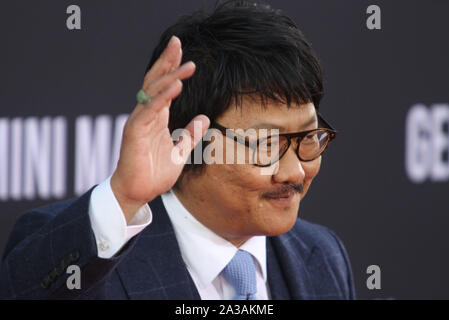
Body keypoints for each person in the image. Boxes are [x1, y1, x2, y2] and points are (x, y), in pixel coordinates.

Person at [0, 0, 355, 299]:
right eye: (266, 145)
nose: (294, 172)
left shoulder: (322, 255)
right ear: (189, 141)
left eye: (309, 138)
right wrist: (122, 197)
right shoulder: (86, 256)